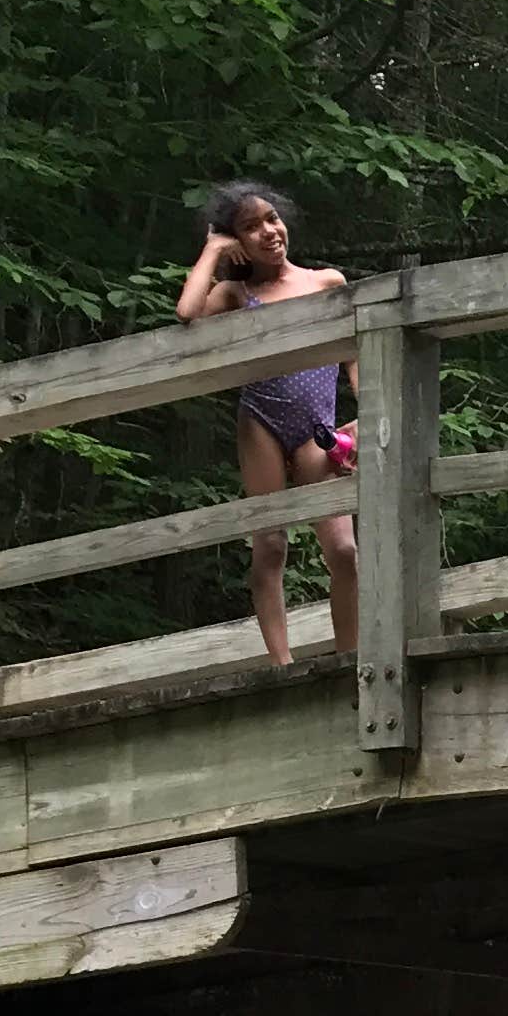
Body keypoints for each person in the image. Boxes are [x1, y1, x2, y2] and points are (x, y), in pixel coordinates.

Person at [174, 180, 357, 666]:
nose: (268, 232)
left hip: (319, 430)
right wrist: (212, 248)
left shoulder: (327, 283)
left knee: (343, 550)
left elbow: (358, 363)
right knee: (270, 545)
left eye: (271, 219)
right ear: (237, 241)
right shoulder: (236, 293)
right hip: (262, 421)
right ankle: (282, 667)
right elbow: (187, 313)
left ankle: (349, 659)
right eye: (250, 228)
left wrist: (364, 425)